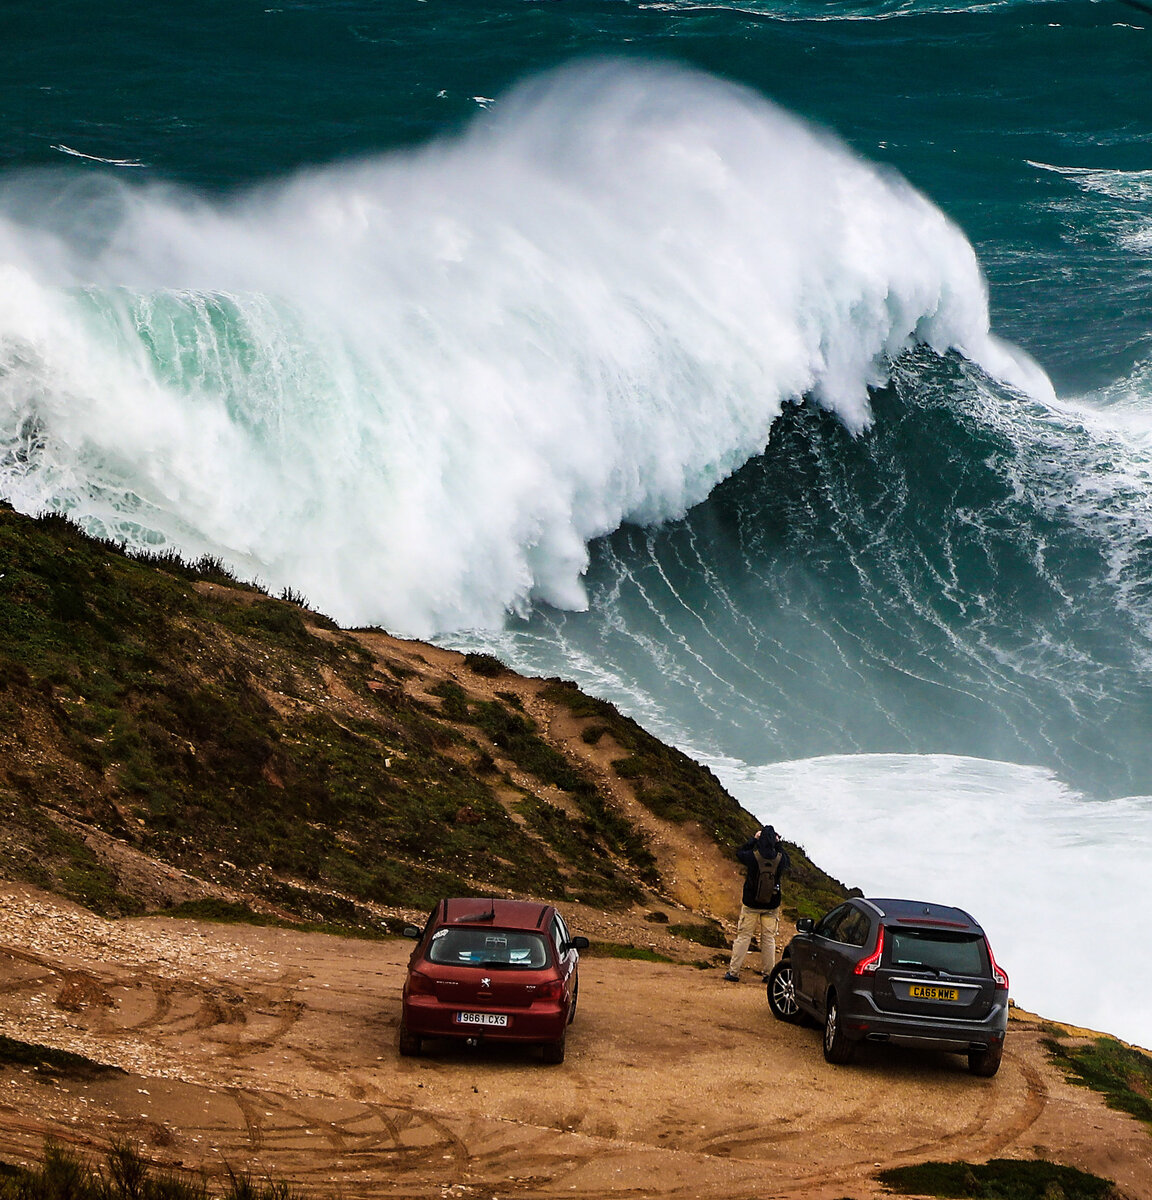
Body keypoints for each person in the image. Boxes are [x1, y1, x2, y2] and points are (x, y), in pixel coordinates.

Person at [723, 825, 790, 982]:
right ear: (774, 839)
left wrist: (753, 839)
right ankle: (769, 975)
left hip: (751, 904)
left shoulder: (753, 857)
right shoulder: (780, 859)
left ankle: (733, 973)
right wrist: (778, 843)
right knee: (768, 939)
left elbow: (739, 853)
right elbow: (787, 860)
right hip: (771, 905)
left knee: (744, 937)